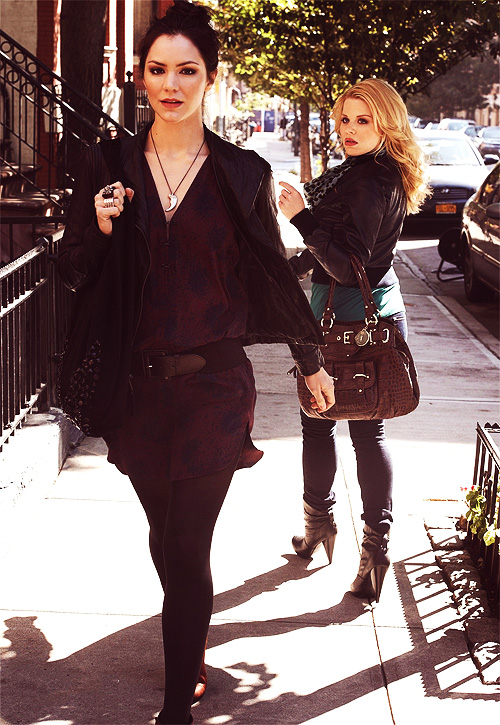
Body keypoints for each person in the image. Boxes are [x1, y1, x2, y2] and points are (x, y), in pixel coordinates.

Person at [57, 2, 334, 722]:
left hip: (215, 385)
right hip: (138, 390)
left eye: (187, 71)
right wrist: (100, 226)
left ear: (210, 78)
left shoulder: (241, 172)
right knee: (165, 534)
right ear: (141, 77)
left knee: (188, 540)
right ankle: (190, 637)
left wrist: (310, 361)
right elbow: (72, 268)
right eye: (158, 70)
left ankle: (177, 701)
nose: (171, 84)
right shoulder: (112, 164)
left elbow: (272, 272)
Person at [278, 78, 428, 603]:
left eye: (363, 120)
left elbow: (347, 265)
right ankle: (363, 546)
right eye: (344, 118)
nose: (349, 129)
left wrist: (300, 218)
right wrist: (292, 267)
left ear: (386, 124)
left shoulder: (369, 181)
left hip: (349, 318)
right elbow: (339, 248)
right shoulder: (371, 171)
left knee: (327, 424)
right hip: (370, 310)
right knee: (361, 429)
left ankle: (330, 531)